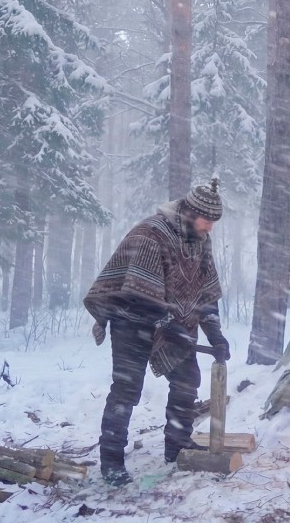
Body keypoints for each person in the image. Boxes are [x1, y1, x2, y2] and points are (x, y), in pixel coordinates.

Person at [83, 179, 231, 486]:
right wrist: (166, 323)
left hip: (173, 321)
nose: (210, 228)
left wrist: (215, 335)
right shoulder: (151, 233)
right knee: (127, 389)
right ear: (190, 213)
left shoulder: (200, 241)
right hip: (130, 320)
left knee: (187, 379)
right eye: (207, 220)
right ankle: (111, 461)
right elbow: (137, 293)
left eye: (214, 222)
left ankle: (177, 446)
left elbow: (206, 294)